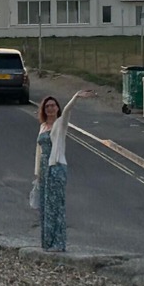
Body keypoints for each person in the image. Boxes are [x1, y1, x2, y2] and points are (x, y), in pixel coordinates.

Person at [34, 90, 95, 252]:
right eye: (47, 106)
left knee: (56, 206)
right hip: (44, 169)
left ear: (57, 108)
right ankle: (47, 242)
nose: (50, 109)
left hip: (57, 167)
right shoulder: (42, 126)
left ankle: (59, 243)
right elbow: (39, 151)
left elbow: (67, 111)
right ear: (43, 109)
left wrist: (75, 97)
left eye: (53, 106)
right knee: (46, 207)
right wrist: (38, 174)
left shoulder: (60, 124)